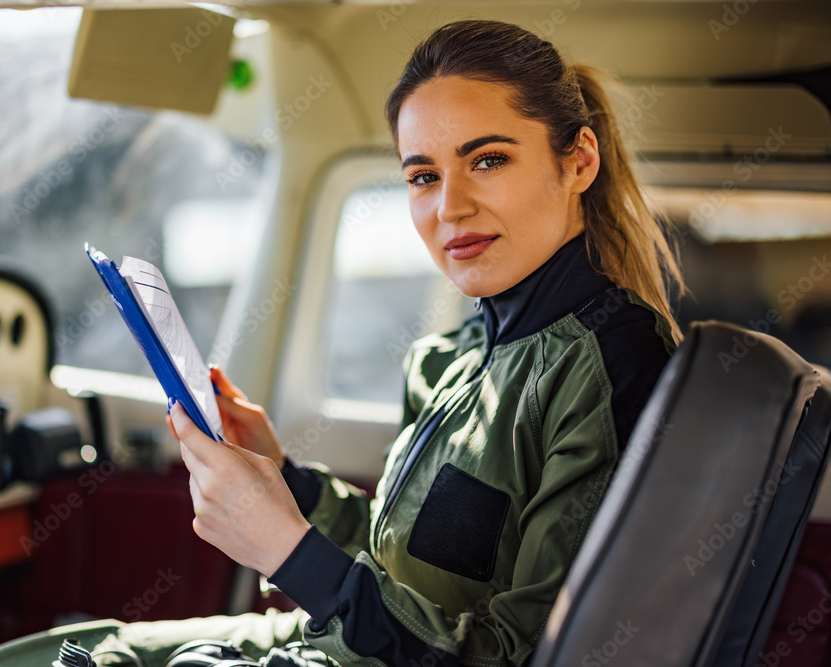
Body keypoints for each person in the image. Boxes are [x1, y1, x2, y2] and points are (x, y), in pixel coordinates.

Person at [91, 18, 685, 667]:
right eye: (423, 175)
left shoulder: (616, 364)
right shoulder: (448, 357)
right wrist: (287, 479)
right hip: (343, 641)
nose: (449, 207)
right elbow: (402, 560)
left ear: (580, 161)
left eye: (487, 160)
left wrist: (291, 551)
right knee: (85, 648)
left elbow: (519, 656)